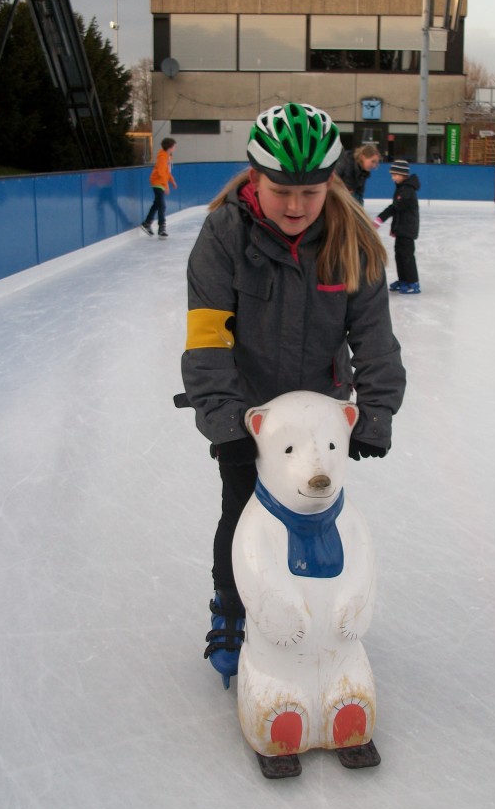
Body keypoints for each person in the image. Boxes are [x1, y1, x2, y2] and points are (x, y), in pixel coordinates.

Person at [178, 103, 406, 686]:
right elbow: (207, 340)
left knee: (318, 512)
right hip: (250, 411)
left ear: (331, 182)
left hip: (320, 417)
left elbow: (375, 340)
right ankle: (231, 605)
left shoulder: (352, 239)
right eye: (282, 190)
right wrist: (226, 423)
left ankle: (322, 614)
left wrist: (374, 416)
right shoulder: (224, 235)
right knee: (241, 511)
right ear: (255, 177)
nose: (297, 206)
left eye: (311, 191)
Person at [374, 160, 421, 294]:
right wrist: (395, 228)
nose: (392, 178)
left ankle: (413, 282)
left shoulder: (407, 190)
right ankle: (403, 280)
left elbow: (395, 208)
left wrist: (380, 219)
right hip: (402, 228)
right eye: (392, 175)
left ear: (403, 174)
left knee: (406, 256)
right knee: (399, 255)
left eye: (395, 175)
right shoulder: (402, 187)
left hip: (407, 229)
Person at [141, 138, 177, 237]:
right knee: (162, 205)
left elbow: (166, 172)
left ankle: (147, 223)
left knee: (157, 204)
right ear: (170, 147)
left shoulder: (166, 157)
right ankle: (161, 228)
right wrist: (166, 186)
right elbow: (161, 172)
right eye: (174, 146)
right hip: (157, 182)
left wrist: (172, 181)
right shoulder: (162, 158)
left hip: (160, 182)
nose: (175, 148)